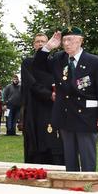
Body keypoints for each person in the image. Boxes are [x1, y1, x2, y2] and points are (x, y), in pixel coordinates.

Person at [34, 27, 98, 172]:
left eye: (71, 39)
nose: (67, 43)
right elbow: (37, 65)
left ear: (80, 40)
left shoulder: (94, 61)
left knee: (87, 158)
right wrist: (48, 46)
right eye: (64, 40)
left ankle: (88, 185)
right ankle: (72, 188)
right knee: (70, 158)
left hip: (87, 115)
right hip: (65, 114)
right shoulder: (58, 59)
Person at [22, 33, 64, 165]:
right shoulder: (27, 62)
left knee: (55, 138)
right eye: (38, 41)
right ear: (34, 45)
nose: (40, 44)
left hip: (53, 106)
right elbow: (31, 83)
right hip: (35, 107)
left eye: (43, 41)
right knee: (37, 138)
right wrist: (48, 94)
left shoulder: (54, 62)